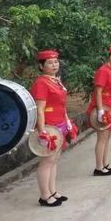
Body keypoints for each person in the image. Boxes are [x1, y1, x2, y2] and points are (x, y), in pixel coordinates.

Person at [30, 49, 72, 206]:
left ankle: (53, 190)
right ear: (41, 66)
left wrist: (67, 121)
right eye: (50, 62)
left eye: (56, 61)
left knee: (55, 159)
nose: (54, 65)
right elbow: (40, 108)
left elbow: (62, 104)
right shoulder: (41, 83)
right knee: (47, 161)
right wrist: (42, 131)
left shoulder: (55, 80)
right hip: (49, 125)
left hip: (60, 123)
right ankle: (44, 195)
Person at [87, 45, 111, 176]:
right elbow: (98, 92)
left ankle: (105, 163)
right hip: (104, 106)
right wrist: (100, 110)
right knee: (102, 137)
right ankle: (98, 167)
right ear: (109, 57)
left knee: (108, 137)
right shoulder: (104, 71)